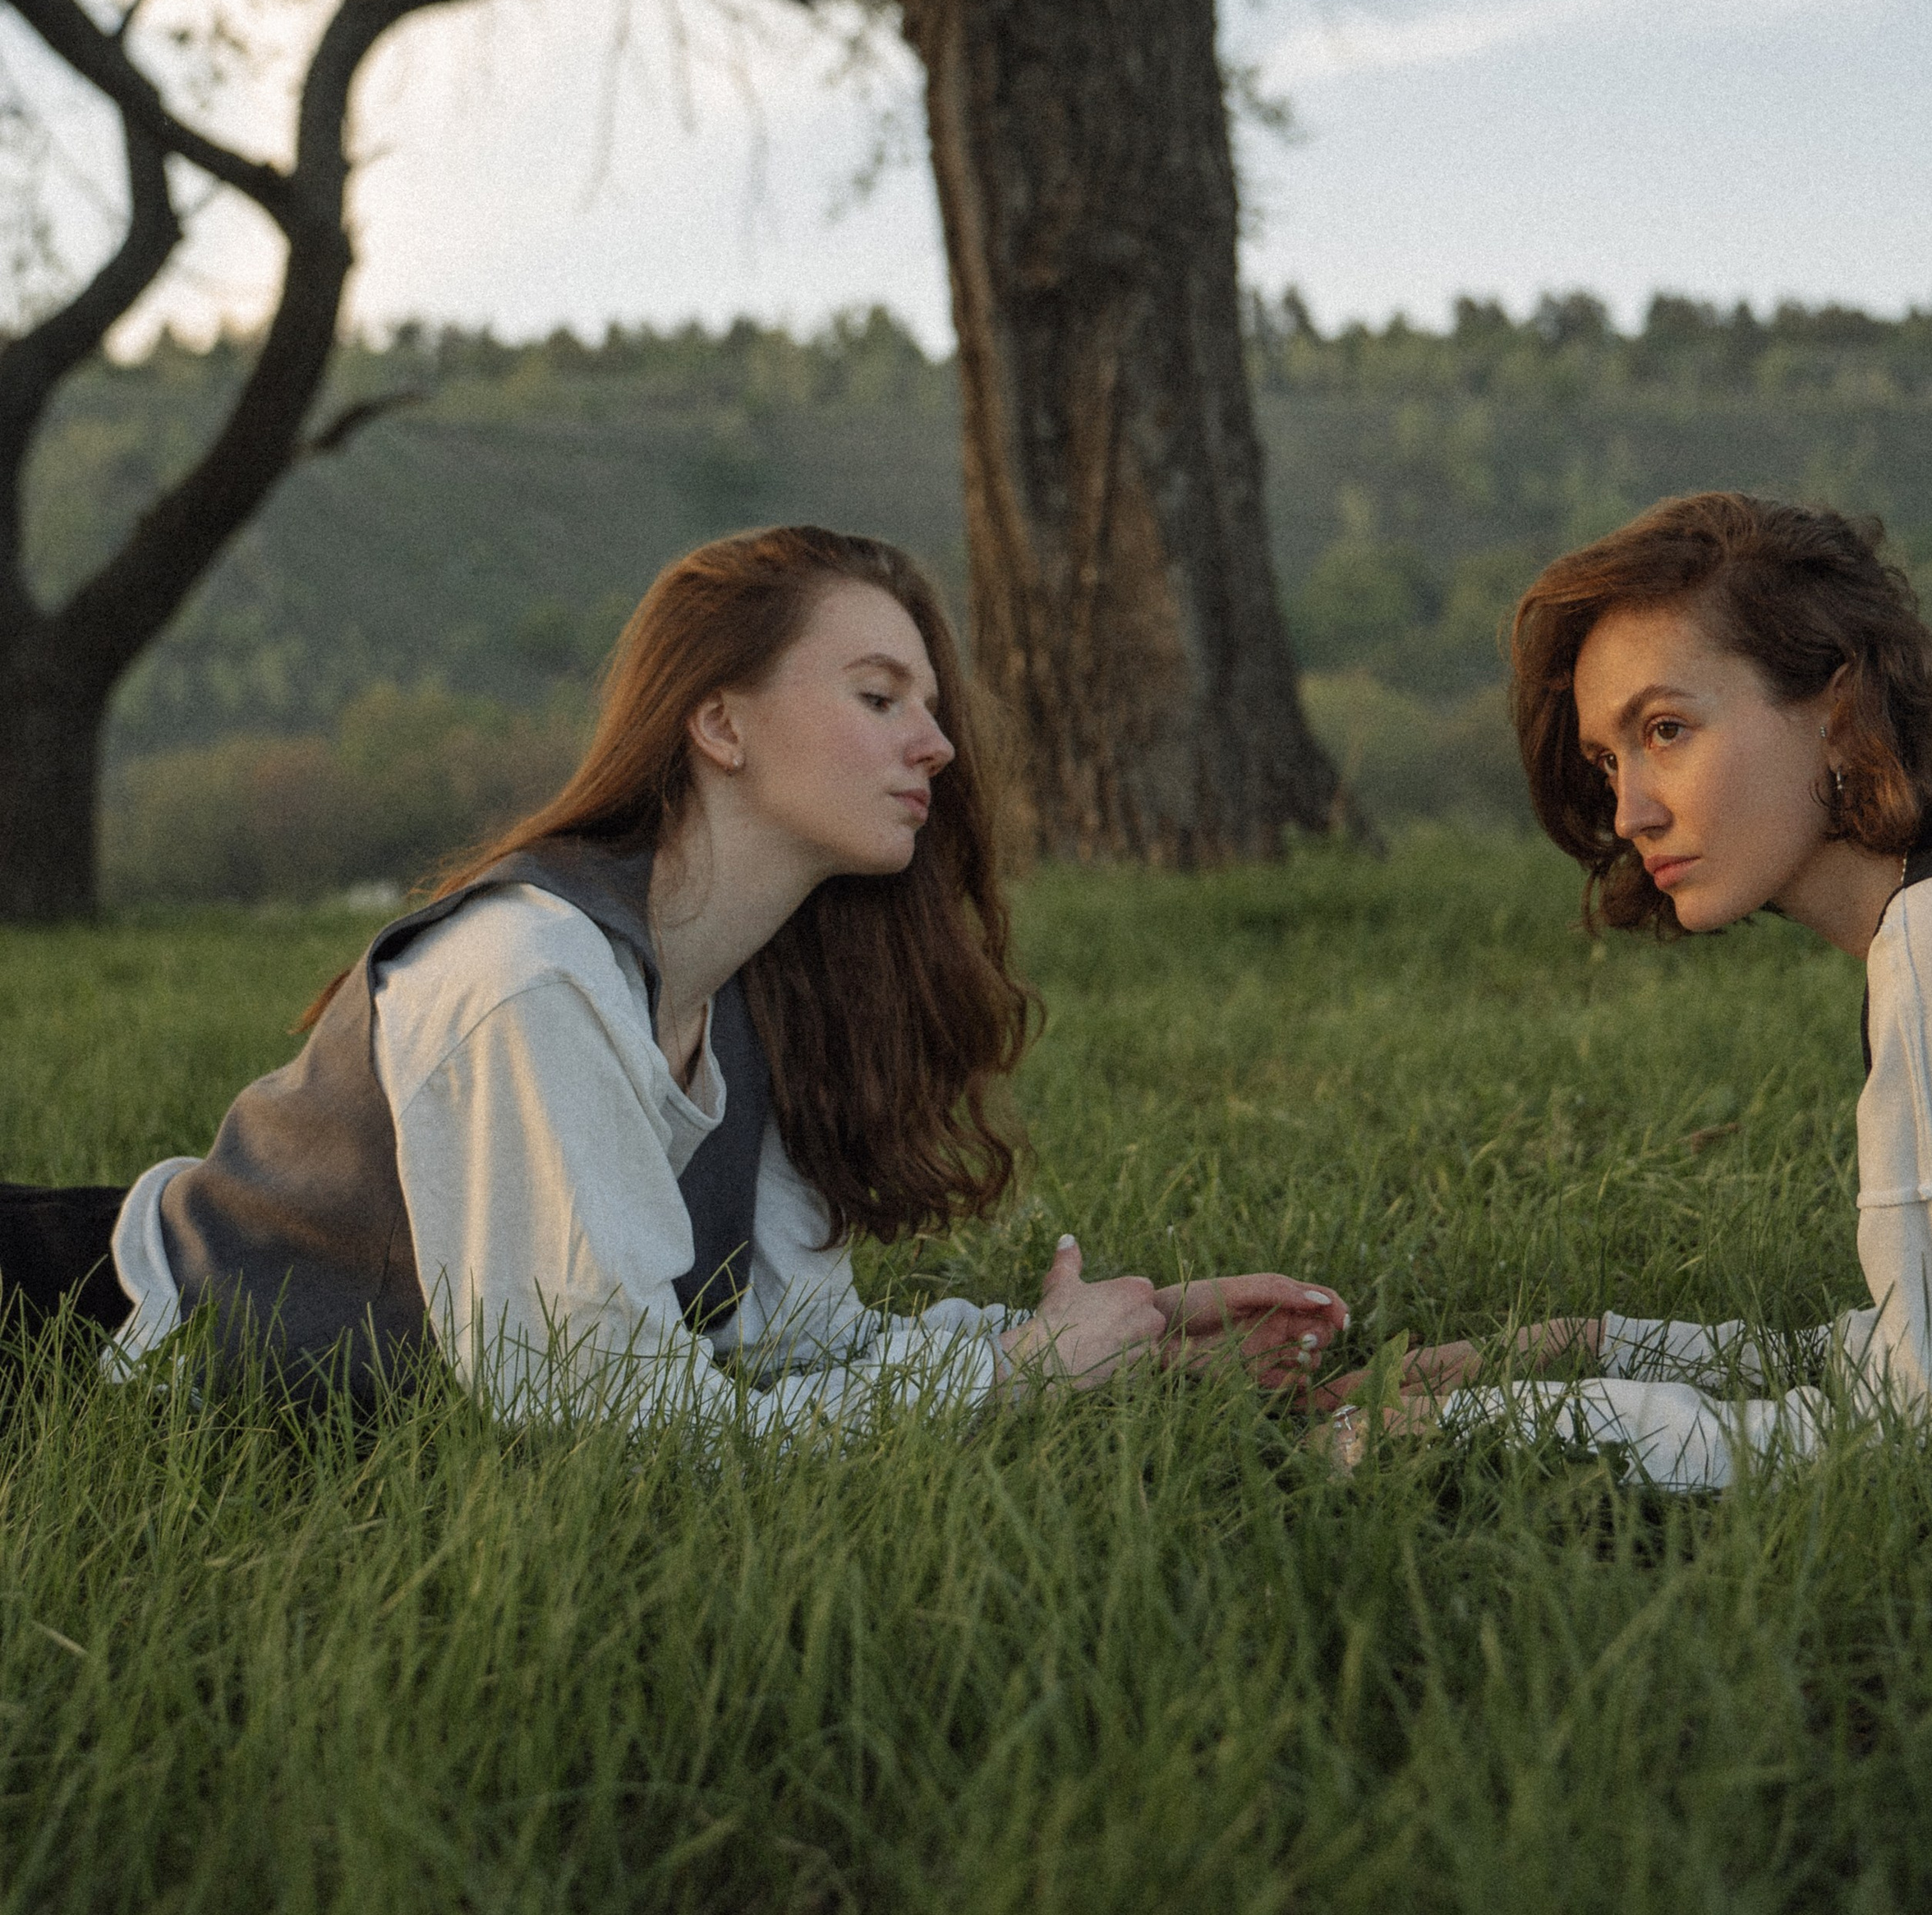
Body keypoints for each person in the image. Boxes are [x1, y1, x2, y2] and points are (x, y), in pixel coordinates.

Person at [1, 527, 1347, 1436]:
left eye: (931, 705)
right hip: (67, 1327)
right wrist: (1009, 1380)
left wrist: (1106, 1345)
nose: (938, 745)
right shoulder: (531, 976)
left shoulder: (754, 998)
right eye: (881, 698)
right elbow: (605, 1426)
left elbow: (787, 1352)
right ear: (719, 723)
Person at [1323, 491, 1932, 1487]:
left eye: (1666, 729)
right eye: (1609, 761)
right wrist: (1598, 1342)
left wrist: (1461, 1430)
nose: (1631, 809)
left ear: (1835, 708)